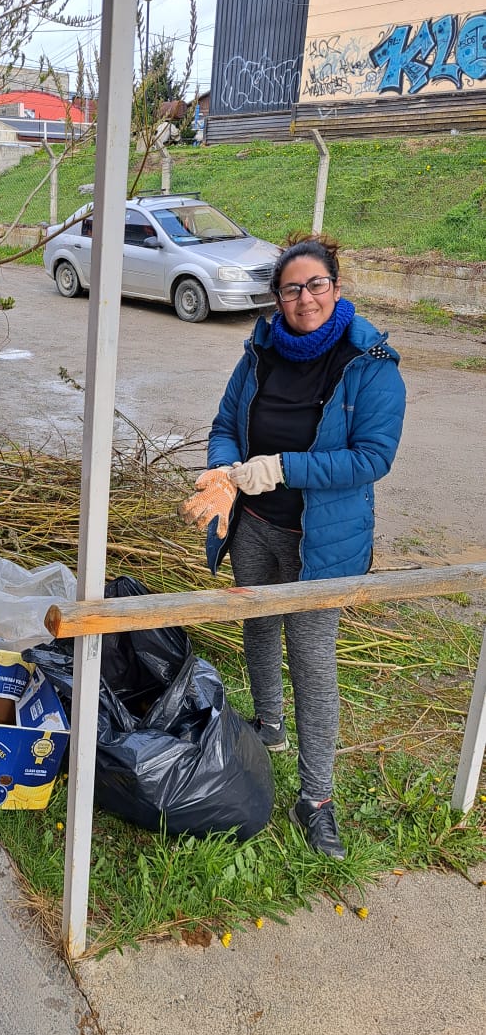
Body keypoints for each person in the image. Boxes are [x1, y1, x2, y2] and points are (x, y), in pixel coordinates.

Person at [179, 233, 405, 859]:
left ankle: (317, 798)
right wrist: (223, 472)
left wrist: (281, 468)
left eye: (316, 285)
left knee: (312, 662)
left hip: (321, 541)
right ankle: (269, 725)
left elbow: (372, 458)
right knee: (257, 626)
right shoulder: (260, 353)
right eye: (291, 289)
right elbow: (226, 425)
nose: (305, 299)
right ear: (276, 297)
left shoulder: (370, 364)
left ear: (337, 286)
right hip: (254, 524)